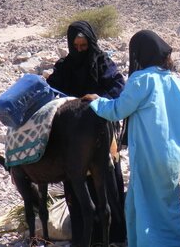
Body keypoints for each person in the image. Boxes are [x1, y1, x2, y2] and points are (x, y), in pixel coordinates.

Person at [84, 29, 180, 247]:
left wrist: (96, 101)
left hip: (149, 155)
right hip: (174, 156)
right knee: (167, 202)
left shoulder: (141, 80)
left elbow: (117, 110)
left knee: (144, 205)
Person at [46, 20, 126, 245]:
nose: (81, 51)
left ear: (91, 43)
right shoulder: (64, 66)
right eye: (77, 47)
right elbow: (51, 91)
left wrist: (97, 99)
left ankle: (113, 234)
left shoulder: (103, 63)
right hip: (72, 134)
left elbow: (118, 87)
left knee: (106, 180)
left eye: (84, 46)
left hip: (101, 128)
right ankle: (84, 237)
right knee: (75, 180)